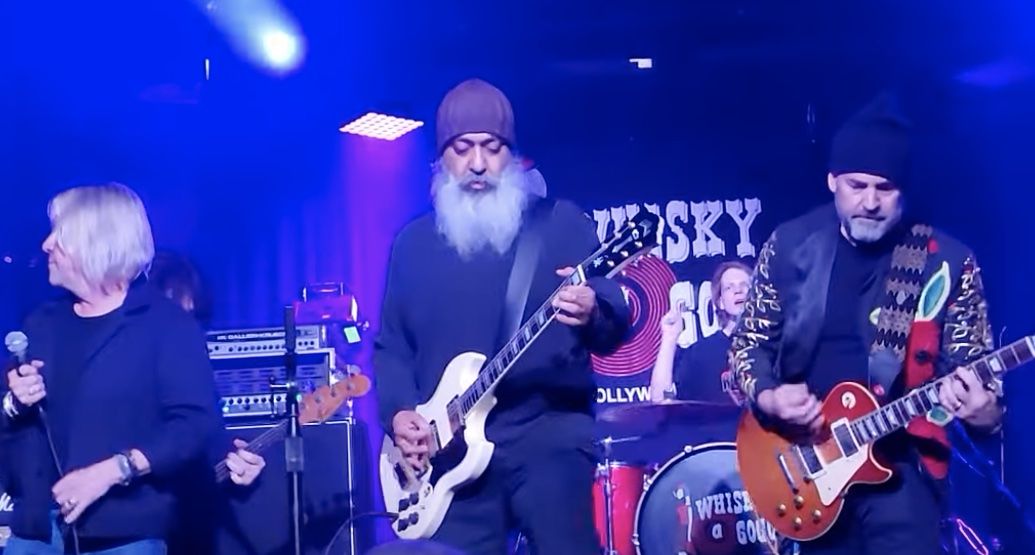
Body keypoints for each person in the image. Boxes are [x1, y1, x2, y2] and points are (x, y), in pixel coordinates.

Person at [731, 93, 1003, 555]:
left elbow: (976, 372)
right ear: (832, 180)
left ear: (905, 191)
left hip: (904, 471)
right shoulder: (791, 245)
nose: (870, 202)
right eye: (857, 186)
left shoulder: (949, 262)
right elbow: (747, 345)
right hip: (807, 469)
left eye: (885, 188)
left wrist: (984, 412)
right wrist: (770, 395)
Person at [374, 78, 630, 555]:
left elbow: (614, 316)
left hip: (546, 435)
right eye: (462, 149)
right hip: (447, 456)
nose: (477, 164)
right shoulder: (412, 245)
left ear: (511, 155)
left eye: (491, 149)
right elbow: (392, 346)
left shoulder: (558, 223)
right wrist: (400, 413)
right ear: (440, 159)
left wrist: (596, 307)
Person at [0, 183, 222, 555]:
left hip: (124, 536)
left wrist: (113, 471)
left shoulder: (165, 326)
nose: (46, 244)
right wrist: (13, 404)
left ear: (96, 240)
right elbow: (12, 429)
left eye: (60, 234)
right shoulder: (40, 324)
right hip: (36, 535)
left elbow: (196, 424)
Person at [648, 260, 752, 404]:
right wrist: (669, 337)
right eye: (729, 287)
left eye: (744, 285)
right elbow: (660, 399)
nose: (738, 290)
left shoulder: (775, 346)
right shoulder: (700, 353)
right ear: (720, 302)